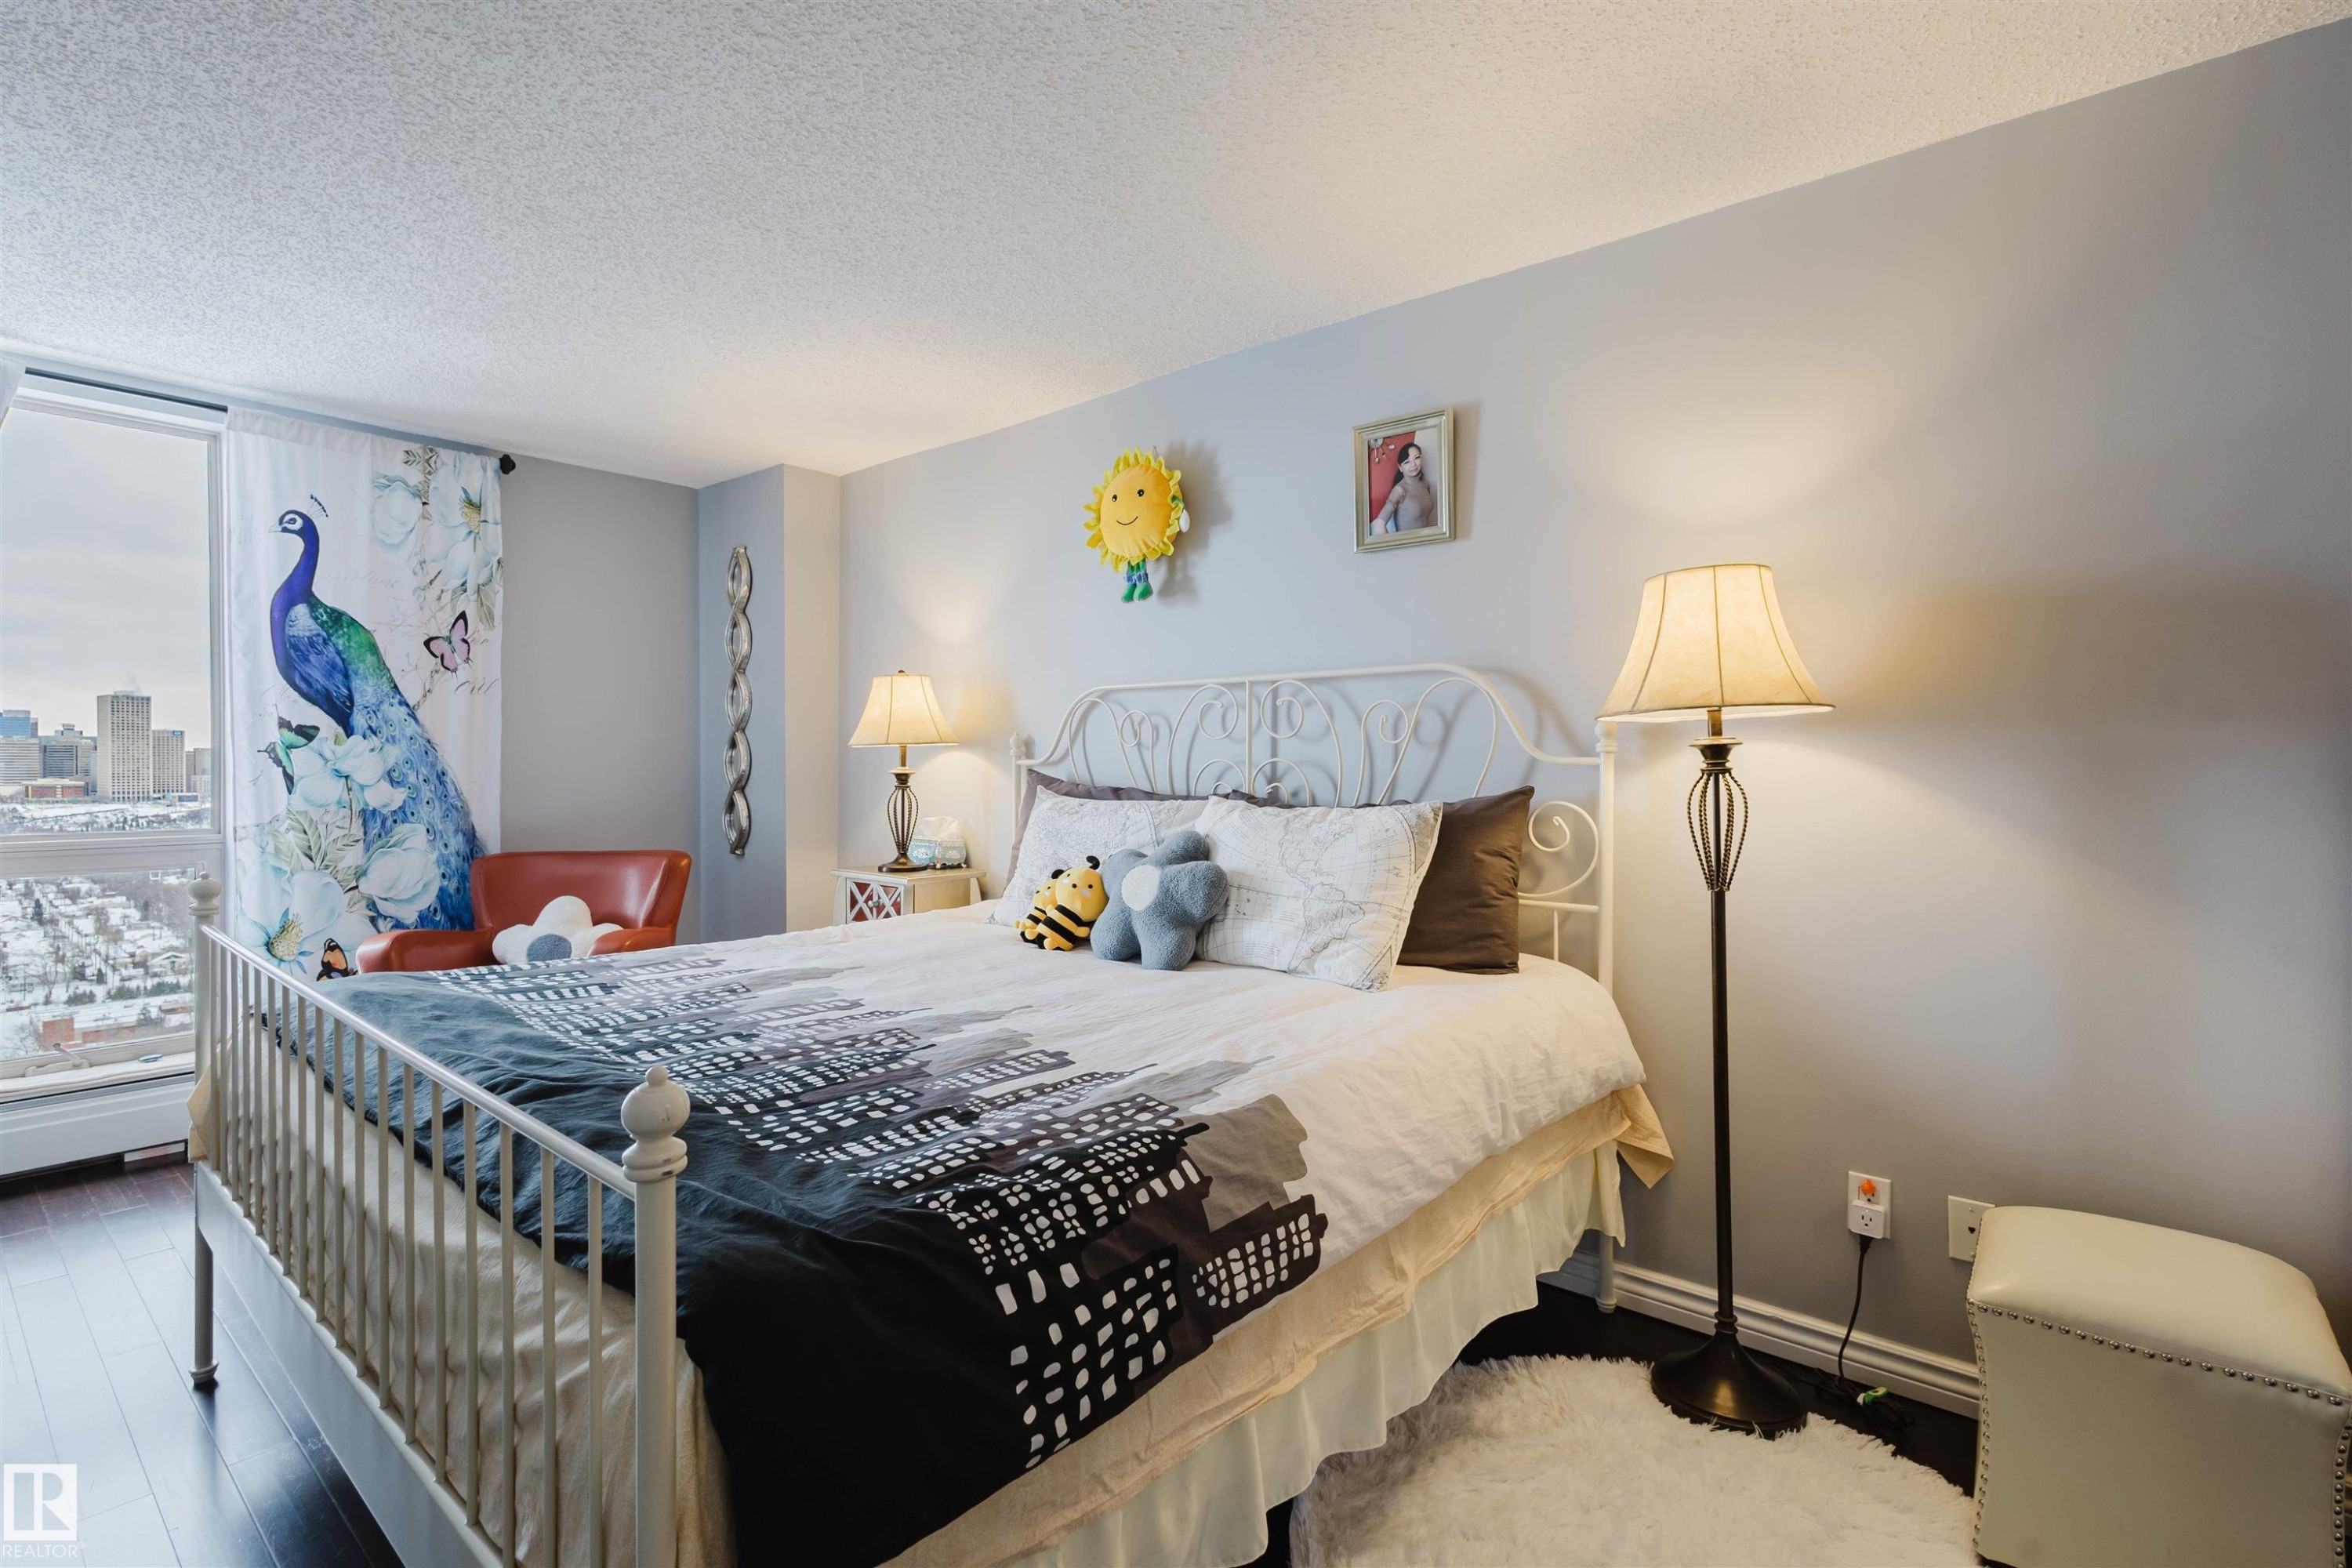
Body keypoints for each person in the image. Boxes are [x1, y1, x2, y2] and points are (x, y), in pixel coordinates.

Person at [1372, 441, 1435, 534]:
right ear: (1400, 467)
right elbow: (1379, 525)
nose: (1413, 465)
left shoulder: (1426, 484)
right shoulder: (1400, 490)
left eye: (1417, 458)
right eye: (1407, 462)